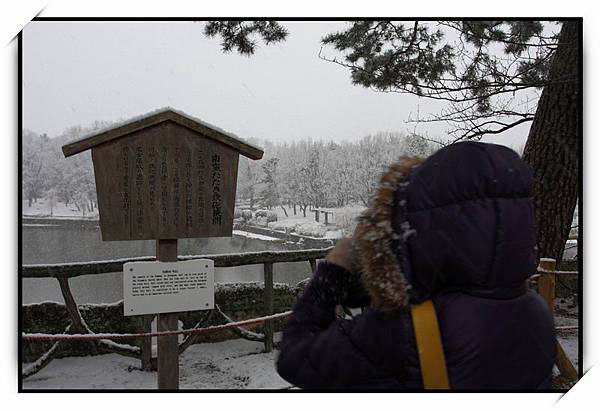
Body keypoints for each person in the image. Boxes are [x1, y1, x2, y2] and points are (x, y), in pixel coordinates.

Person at [276, 141, 556, 390]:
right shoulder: (535, 311)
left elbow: (295, 356)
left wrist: (333, 272)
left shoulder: (404, 331)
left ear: (424, 225)